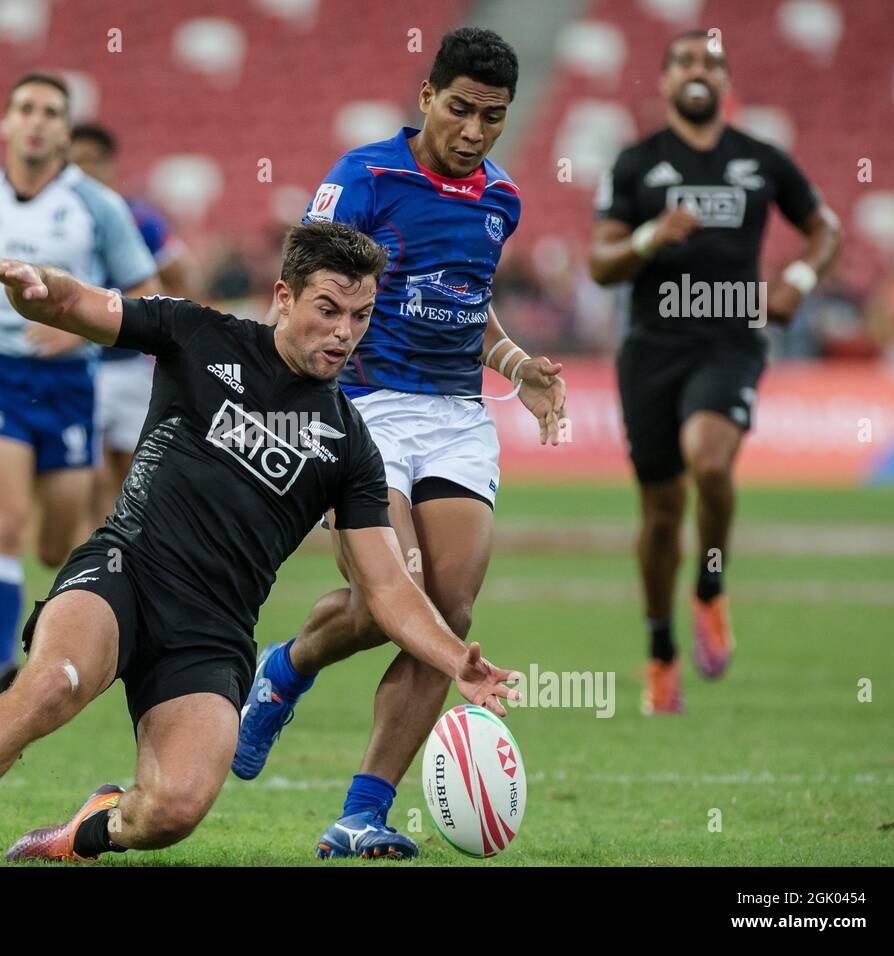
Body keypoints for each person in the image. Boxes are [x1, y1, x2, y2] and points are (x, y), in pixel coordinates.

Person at [0, 223, 524, 867]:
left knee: (173, 810)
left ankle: (87, 831)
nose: (345, 332)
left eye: (361, 315)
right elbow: (75, 305)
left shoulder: (349, 443)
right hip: (126, 569)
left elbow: (383, 587)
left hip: (213, 632)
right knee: (55, 683)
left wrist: (452, 658)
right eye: (328, 309)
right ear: (285, 297)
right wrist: (35, 287)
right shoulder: (199, 333)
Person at [232, 27, 566, 860]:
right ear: (426, 97)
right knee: (402, 594)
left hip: (456, 418)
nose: (475, 131)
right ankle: (288, 673)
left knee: (446, 615)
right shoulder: (364, 177)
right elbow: (302, 291)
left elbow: (466, 302)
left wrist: (517, 362)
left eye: (493, 117)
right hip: (359, 409)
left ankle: (356, 810)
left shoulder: (502, 200)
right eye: (460, 109)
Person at [589, 30, 841, 713]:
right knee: (662, 515)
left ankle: (709, 588)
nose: (699, 71)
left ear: (725, 82)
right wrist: (648, 236)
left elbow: (826, 229)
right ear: (666, 82)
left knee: (710, 463)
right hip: (651, 351)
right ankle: (661, 650)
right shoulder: (637, 163)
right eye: (685, 62)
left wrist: (795, 276)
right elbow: (600, 260)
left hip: (732, 341)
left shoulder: (760, 160)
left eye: (712, 62)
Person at [0, 74, 159, 694]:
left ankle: (84, 636)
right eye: (26, 109)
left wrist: (79, 329)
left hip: (70, 384)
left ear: (65, 131)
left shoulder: (97, 206)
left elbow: (145, 292)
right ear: (6, 124)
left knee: (55, 544)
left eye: (51, 112)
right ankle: (1, 671)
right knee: (5, 518)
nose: (37, 121)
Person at [69, 122, 195, 523]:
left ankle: (124, 558)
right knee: (92, 475)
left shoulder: (138, 220)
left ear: (110, 166)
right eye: (76, 163)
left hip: (129, 366)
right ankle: (97, 564)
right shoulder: (57, 223)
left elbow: (179, 275)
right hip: (79, 366)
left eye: (93, 161)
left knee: (134, 473)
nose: (85, 171)